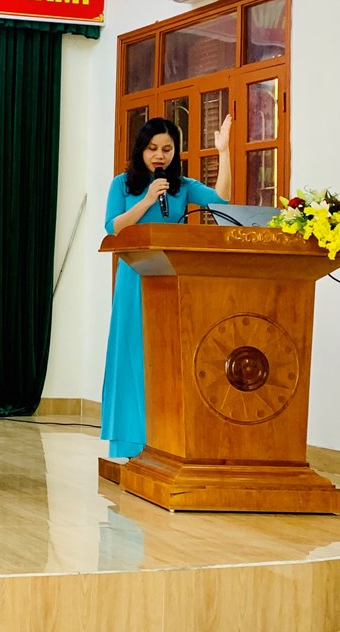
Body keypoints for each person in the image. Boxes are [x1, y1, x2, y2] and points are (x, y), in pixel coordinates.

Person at [101, 115, 232, 459]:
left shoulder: (182, 186)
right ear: (140, 149)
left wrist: (223, 152)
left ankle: (166, 438)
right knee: (133, 352)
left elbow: (222, 201)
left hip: (170, 276)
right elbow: (113, 227)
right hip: (134, 277)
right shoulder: (123, 184)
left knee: (167, 355)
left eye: (167, 149)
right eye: (152, 148)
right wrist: (146, 199)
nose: (159, 155)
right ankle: (130, 440)